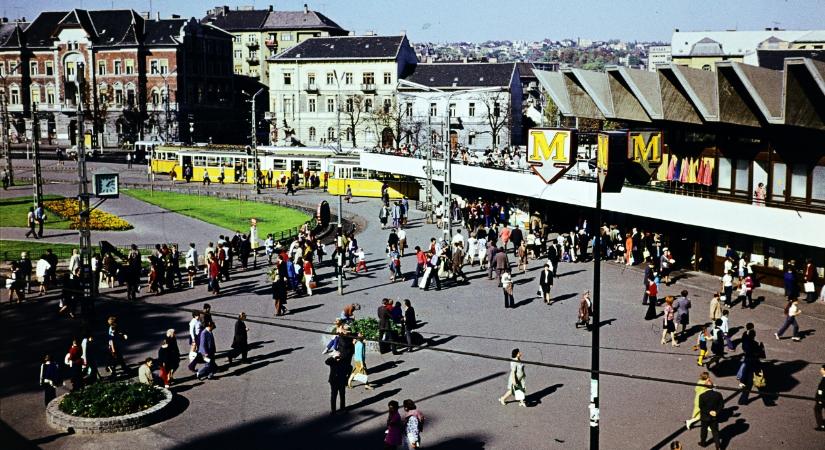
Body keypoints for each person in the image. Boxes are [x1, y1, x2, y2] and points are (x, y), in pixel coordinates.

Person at [698, 377, 724, 450]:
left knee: (704, 430)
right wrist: (716, 412)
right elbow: (721, 405)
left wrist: (709, 412)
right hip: (714, 417)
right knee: (715, 432)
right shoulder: (718, 394)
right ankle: (718, 446)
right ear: (713, 386)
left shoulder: (702, 396)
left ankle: (703, 443)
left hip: (705, 417)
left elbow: (701, 407)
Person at [815, 364, 825, 432]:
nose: (820, 370)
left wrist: (820, 399)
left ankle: (821, 426)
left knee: (817, 409)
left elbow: (821, 390)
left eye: (822, 369)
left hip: (822, 399)